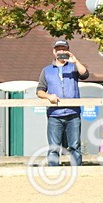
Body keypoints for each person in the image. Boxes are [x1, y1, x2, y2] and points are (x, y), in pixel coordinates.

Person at [36, 39, 89, 167]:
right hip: (54, 114)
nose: (61, 52)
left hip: (73, 113)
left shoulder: (74, 67)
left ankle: (76, 170)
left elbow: (85, 74)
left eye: (64, 50)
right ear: (54, 52)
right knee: (54, 147)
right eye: (59, 50)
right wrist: (49, 96)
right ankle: (54, 170)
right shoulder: (47, 70)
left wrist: (75, 60)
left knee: (75, 146)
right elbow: (39, 91)